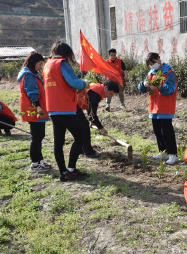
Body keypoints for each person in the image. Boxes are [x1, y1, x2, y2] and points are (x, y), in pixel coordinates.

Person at [43, 41, 88, 182]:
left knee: (58, 142)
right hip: (65, 108)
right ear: (65, 53)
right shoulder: (61, 63)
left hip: (53, 108)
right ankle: (71, 170)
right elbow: (74, 82)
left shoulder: (47, 65)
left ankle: (63, 172)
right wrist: (85, 84)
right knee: (80, 137)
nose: (69, 58)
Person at [138, 52, 179, 165]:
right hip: (154, 107)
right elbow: (142, 89)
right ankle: (163, 151)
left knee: (167, 131)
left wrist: (159, 86)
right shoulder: (151, 73)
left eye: (153, 63)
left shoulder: (169, 73)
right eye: (150, 65)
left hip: (165, 107)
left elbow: (170, 89)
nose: (152, 66)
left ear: (158, 59)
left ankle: (173, 154)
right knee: (157, 131)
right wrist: (143, 84)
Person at [17, 51, 52, 172]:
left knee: (39, 135)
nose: (41, 67)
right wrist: (38, 108)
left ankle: (39, 159)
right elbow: (32, 93)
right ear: (33, 63)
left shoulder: (31, 75)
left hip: (37, 110)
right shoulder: (28, 76)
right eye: (40, 64)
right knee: (36, 136)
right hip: (34, 111)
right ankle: (35, 163)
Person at [76, 80, 119, 158]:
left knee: (82, 126)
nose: (110, 96)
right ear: (105, 88)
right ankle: (88, 152)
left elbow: (89, 108)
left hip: (75, 104)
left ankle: (81, 149)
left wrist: (91, 121)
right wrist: (101, 128)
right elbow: (92, 113)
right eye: (110, 93)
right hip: (73, 104)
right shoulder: (96, 93)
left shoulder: (97, 88)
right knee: (84, 127)